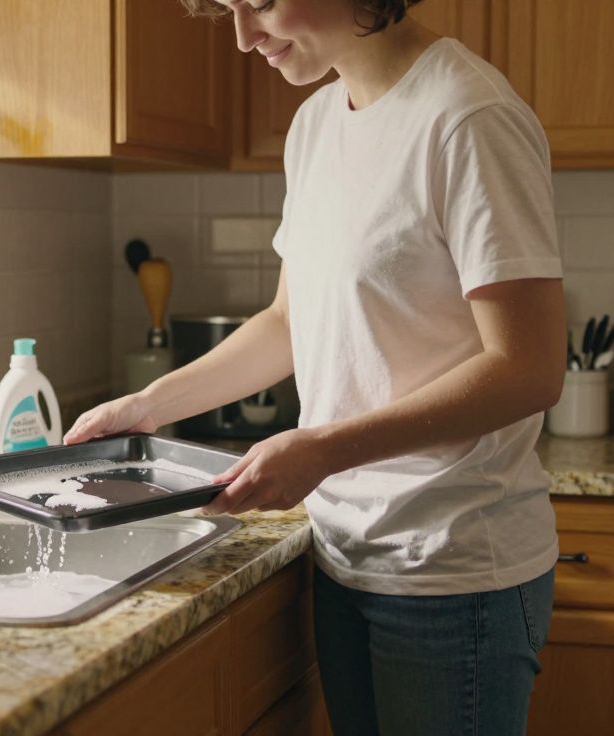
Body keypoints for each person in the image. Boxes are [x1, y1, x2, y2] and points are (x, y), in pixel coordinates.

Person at [64, 0, 565, 733]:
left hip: (454, 571)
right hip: (344, 556)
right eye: (228, 9)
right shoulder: (317, 124)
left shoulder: (468, 116)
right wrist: (150, 405)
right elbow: (286, 323)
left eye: (260, 2)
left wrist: (325, 448)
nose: (242, 36)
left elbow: (526, 367)